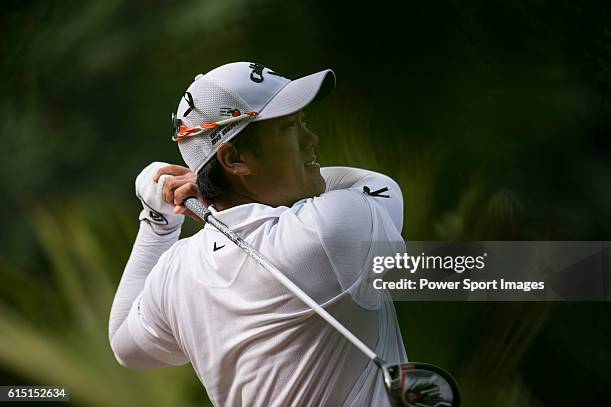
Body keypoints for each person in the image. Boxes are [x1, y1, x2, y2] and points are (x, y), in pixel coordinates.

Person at [108, 62, 408, 406]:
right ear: (234, 158)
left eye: (302, 122)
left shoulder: (175, 272)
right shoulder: (332, 227)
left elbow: (125, 346)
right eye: (289, 126)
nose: (311, 140)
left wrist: (159, 220)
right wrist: (208, 189)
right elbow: (379, 186)